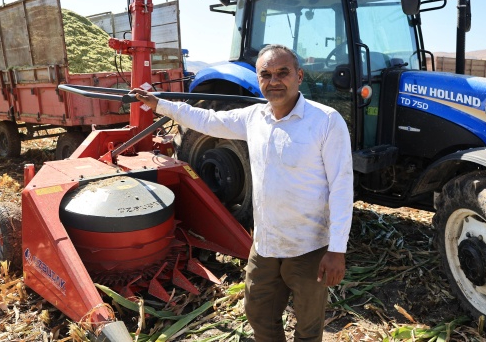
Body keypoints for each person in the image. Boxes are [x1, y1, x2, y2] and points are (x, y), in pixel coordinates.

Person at [132, 44, 354, 342]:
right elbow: (206, 120)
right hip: (265, 245)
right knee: (258, 313)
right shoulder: (254, 118)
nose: (274, 81)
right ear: (258, 80)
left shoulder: (326, 121)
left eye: (282, 73)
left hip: (308, 248)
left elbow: (341, 186)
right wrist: (159, 103)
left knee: (308, 327)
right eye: (266, 74)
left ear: (299, 76)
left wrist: (337, 250)